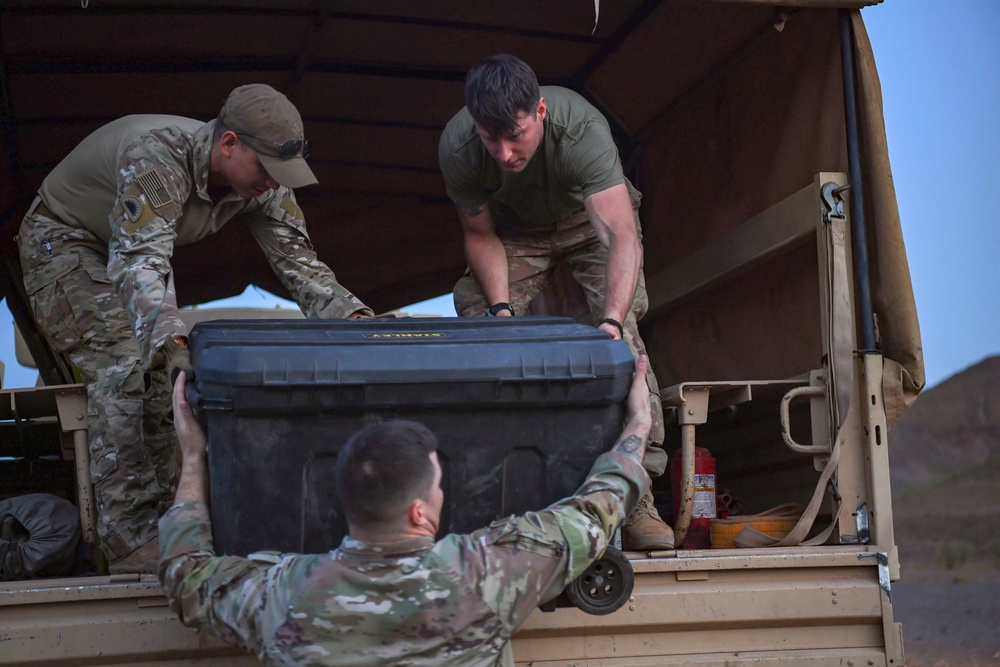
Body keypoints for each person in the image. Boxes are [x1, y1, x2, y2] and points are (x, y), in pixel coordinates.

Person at [16, 84, 372, 574]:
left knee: (166, 381)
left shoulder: (265, 184)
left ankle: (169, 523)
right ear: (229, 145)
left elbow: (303, 269)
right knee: (125, 366)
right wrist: (171, 341)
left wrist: (363, 329)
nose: (273, 182)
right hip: (65, 242)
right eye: (267, 169)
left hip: (126, 252)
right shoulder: (158, 154)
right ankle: (129, 542)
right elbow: (139, 260)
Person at [159, 357, 654, 666]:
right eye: (439, 486)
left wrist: (193, 456)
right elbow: (598, 509)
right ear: (420, 513)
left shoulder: (282, 594)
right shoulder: (486, 575)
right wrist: (637, 422)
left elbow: (186, 575)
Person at [438, 53, 672, 550]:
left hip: (590, 224)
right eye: (490, 138)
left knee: (624, 342)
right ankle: (494, 490)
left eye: (515, 135)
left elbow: (621, 234)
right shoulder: (459, 148)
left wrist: (610, 320)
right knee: (479, 324)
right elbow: (479, 235)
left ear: (540, 112)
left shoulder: (581, 128)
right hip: (516, 232)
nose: (503, 153)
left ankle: (638, 496)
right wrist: (501, 314)